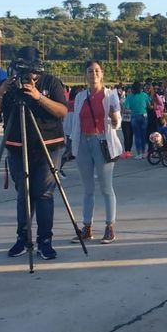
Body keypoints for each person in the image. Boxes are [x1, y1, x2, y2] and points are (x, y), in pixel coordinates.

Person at [0, 46, 68, 260]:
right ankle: (23, 238)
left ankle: (44, 241)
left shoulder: (51, 82)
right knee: (24, 195)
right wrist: (2, 89)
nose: (30, 76)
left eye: (33, 72)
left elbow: (62, 111)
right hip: (17, 148)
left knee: (44, 194)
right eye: (25, 71)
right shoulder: (10, 86)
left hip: (48, 146)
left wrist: (39, 96)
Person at [70, 60, 122, 245]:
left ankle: (109, 226)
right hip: (83, 142)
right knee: (87, 189)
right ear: (86, 75)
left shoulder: (110, 95)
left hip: (102, 143)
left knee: (106, 188)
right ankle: (87, 228)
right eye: (90, 71)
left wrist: (115, 120)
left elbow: (116, 121)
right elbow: (75, 121)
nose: (93, 74)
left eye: (97, 71)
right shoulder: (80, 97)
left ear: (102, 74)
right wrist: (71, 143)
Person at [126, 81, 151, 160]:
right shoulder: (144, 95)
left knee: (137, 135)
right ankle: (144, 152)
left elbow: (126, 108)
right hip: (144, 116)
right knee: (143, 135)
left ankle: (139, 153)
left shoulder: (129, 96)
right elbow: (149, 105)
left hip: (134, 116)